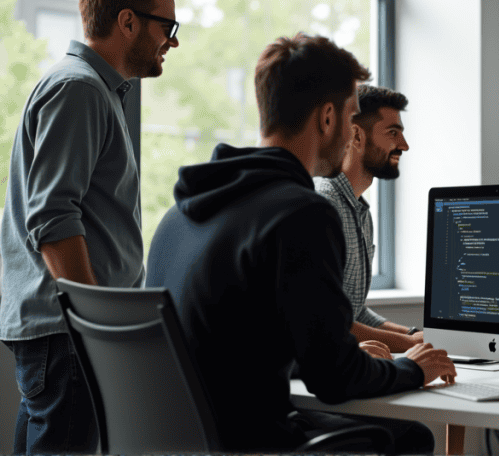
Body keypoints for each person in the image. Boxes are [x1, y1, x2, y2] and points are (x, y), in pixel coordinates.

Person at [145, 34, 456, 453]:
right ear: (327, 118)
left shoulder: (178, 216)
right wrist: (411, 369)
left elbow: (234, 346)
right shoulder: (302, 214)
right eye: (350, 118)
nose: (351, 135)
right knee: (411, 439)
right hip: (253, 442)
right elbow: (335, 378)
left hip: (182, 440)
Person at [0, 0, 183, 454]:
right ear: (128, 22)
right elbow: (54, 218)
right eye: (168, 25)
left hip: (62, 333)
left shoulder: (90, 89)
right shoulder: (79, 88)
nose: (174, 40)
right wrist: (95, 329)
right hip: (69, 335)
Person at [315, 85, 419, 353]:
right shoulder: (325, 208)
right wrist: (410, 345)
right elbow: (330, 320)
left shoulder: (361, 213)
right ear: (356, 136)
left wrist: (413, 334)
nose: (404, 145)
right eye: (393, 133)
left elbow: (355, 311)